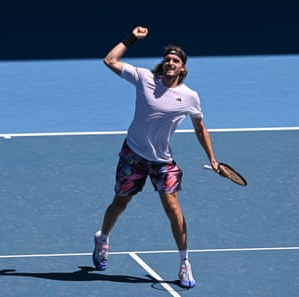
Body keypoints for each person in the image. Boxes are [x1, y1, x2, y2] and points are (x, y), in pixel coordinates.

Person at [92, 25, 219, 289]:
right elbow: (109, 61)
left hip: (162, 160)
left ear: (182, 68)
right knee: (120, 203)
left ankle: (185, 263)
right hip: (133, 155)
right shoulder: (143, 78)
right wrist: (131, 38)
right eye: (168, 59)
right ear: (163, 64)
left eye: (176, 60)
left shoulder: (190, 97)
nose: (170, 62)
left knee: (173, 209)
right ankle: (103, 238)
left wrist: (213, 158)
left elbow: (200, 128)